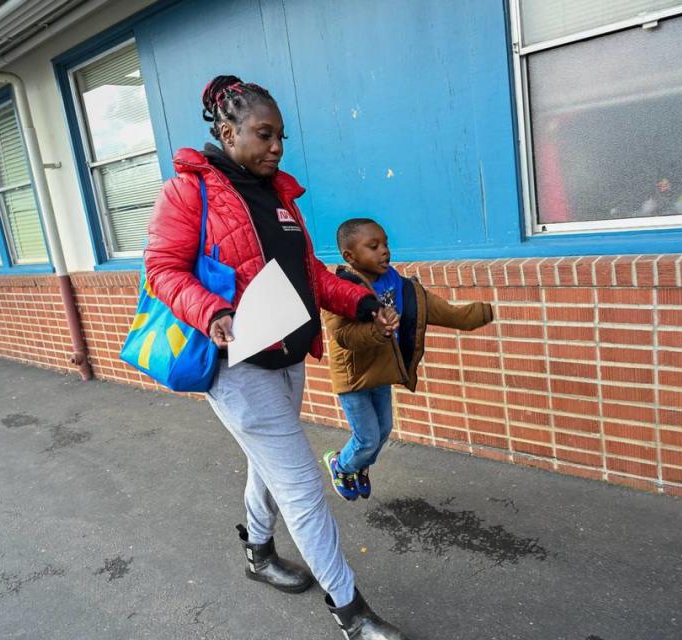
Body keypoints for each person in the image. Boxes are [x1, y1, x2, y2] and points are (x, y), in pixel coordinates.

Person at [144, 76, 410, 639]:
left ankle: (260, 554)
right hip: (239, 366)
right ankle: (351, 612)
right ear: (228, 131)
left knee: (267, 462)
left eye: (281, 137)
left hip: (288, 356)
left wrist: (364, 301)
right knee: (302, 488)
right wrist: (212, 311)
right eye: (264, 135)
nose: (276, 147)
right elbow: (162, 269)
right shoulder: (188, 191)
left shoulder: (281, 197)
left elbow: (310, 276)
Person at [322, 218, 494, 500]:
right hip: (353, 377)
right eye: (373, 246)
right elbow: (344, 336)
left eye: (386, 244)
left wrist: (482, 314)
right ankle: (340, 465)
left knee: (384, 429)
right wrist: (376, 329)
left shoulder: (399, 286)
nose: (384, 251)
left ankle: (359, 466)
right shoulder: (341, 289)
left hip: (382, 370)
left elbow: (436, 309)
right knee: (366, 438)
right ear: (350, 256)